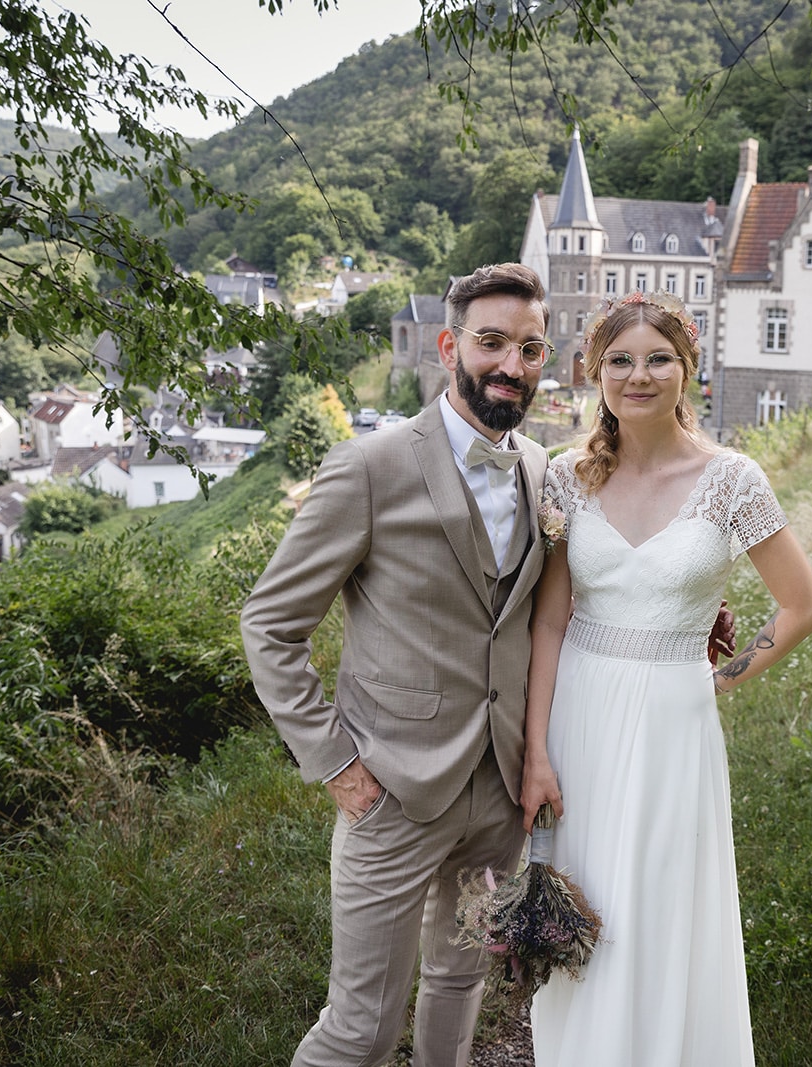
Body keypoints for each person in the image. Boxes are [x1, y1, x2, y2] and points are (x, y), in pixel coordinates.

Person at [240, 263, 554, 1067]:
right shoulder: (369, 468)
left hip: (498, 791)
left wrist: (692, 620)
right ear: (450, 345)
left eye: (530, 347)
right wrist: (337, 763)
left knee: (457, 983)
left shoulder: (543, 471)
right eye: (492, 342)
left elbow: (558, 610)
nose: (511, 365)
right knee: (360, 1028)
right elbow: (270, 624)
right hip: (390, 789)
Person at [520, 290, 812, 1066]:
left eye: (660, 358)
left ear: (688, 368)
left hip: (674, 722)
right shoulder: (566, 476)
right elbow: (549, 621)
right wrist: (536, 751)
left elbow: (803, 606)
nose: (639, 375)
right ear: (595, 371)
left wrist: (717, 681)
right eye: (620, 360)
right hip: (578, 716)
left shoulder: (734, 480)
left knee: (657, 908)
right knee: (581, 910)